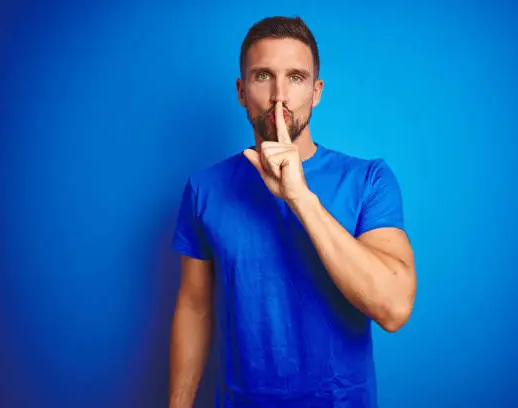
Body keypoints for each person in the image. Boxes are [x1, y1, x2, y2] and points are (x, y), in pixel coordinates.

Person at [169, 15, 417, 408]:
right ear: (241, 90)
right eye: (263, 75)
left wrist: (300, 197)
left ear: (317, 91)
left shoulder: (369, 179)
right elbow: (194, 306)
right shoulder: (205, 188)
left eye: (296, 77)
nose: (279, 96)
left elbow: (394, 308)